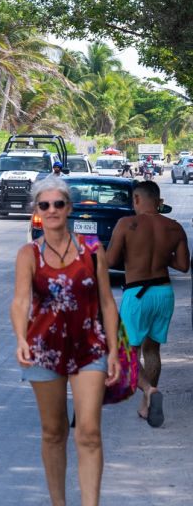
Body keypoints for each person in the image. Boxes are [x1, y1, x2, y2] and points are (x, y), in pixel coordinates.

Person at [11, 176, 121, 506]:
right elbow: (20, 302)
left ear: (69, 208)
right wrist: (20, 338)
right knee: (54, 431)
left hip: (89, 347)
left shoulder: (92, 250)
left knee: (88, 432)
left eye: (58, 204)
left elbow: (106, 302)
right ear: (37, 212)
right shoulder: (29, 254)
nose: (52, 210)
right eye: (44, 205)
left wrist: (114, 349)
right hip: (43, 349)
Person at [105, 180, 190, 427]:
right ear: (159, 201)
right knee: (152, 350)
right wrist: (162, 254)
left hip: (137, 294)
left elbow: (110, 261)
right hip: (164, 293)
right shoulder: (174, 228)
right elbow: (184, 266)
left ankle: (148, 392)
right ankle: (146, 405)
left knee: (126, 355)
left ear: (137, 199)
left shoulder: (126, 224)